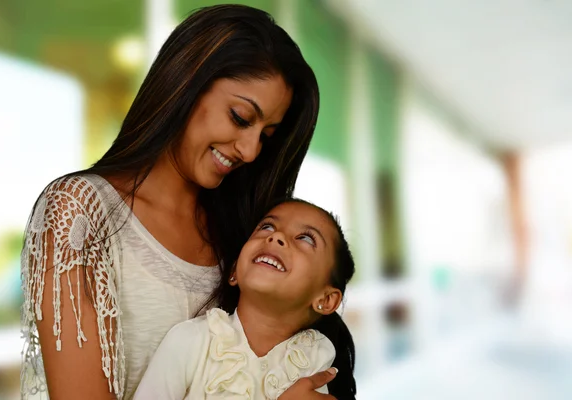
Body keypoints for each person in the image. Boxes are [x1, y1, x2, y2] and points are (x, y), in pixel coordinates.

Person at [20, 5, 333, 400]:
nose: (252, 152)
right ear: (185, 83)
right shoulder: (79, 212)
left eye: (266, 135)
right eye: (240, 117)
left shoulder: (246, 236)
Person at [133, 199, 356, 400]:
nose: (276, 236)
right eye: (267, 226)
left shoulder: (315, 361)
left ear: (326, 300)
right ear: (234, 272)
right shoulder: (189, 342)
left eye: (306, 238)